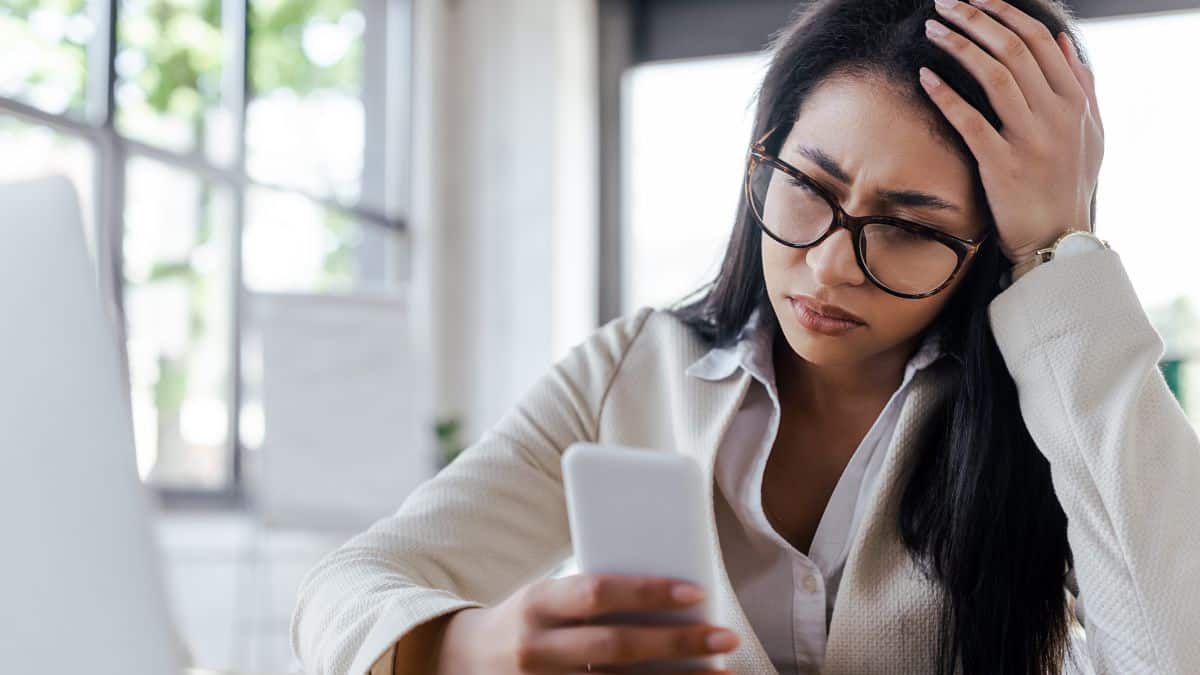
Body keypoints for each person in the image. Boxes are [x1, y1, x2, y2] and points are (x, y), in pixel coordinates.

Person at [291, 0, 1200, 673]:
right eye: (810, 185)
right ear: (762, 158)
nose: (833, 265)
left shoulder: (1049, 402)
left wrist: (1058, 250)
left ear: (984, 247)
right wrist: (461, 646)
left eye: (911, 227)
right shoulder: (630, 375)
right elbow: (345, 586)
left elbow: (1174, 645)